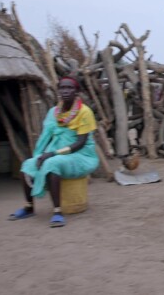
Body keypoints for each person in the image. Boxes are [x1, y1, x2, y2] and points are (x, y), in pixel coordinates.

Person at [8, 76, 99, 227]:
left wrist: (53, 154)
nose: (65, 91)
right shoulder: (53, 112)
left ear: (77, 91)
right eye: (62, 88)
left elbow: (80, 143)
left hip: (81, 155)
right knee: (28, 165)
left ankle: (57, 211)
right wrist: (43, 154)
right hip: (57, 152)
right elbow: (47, 136)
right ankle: (29, 207)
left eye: (70, 88)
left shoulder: (85, 112)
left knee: (52, 163)